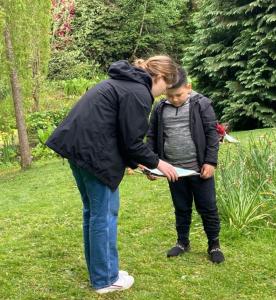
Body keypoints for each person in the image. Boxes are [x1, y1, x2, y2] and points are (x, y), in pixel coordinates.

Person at [46, 56, 179, 294]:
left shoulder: (124, 82)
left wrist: (142, 165)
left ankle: (103, 272)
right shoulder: (139, 92)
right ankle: (105, 279)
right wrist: (158, 163)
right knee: (104, 215)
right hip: (93, 154)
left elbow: (119, 133)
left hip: (78, 150)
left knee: (94, 214)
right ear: (159, 77)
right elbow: (132, 142)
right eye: (166, 86)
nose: (163, 92)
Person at [146, 67, 225, 263]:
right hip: (174, 171)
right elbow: (152, 136)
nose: (174, 99)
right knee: (181, 207)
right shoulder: (160, 108)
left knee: (208, 208)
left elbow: (212, 134)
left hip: (199, 170)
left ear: (188, 87)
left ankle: (214, 244)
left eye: (178, 95)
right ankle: (182, 242)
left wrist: (210, 162)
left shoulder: (202, 104)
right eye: (169, 95)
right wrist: (152, 165)